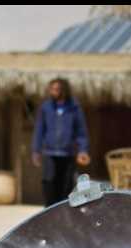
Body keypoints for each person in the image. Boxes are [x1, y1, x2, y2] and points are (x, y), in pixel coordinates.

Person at [31, 78, 91, 207]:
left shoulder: (74, 107)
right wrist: (36, 150)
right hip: (50, 152)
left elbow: (81, 131)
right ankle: (49, 210)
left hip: (68, 153)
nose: (53, 91)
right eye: (51, 89)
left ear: (64, 90)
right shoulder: (46, 107)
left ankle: (63, 210)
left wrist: (83, 150)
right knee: (48, 182)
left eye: (56, 89)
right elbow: (39, 130)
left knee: (66, 185)